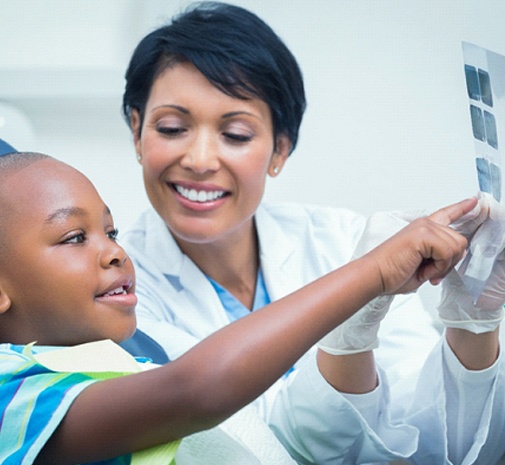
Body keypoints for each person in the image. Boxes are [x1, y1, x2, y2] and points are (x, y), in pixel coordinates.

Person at [119, 2, 505, 464]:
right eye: (173, 128)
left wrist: (473, 325)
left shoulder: (343, 238)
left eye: (236, 134)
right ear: (138, 131)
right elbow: (252, 448)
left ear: (280, 149)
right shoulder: (115, 288)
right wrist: (350, 330)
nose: (200, 159)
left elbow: (433, 444)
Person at [0, 151, 476, 464]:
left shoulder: (122, 363)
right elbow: (198, 389)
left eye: (112, 232)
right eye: (74, 237)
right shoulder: (10, 393)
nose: (114, 252)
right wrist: (373, 273)